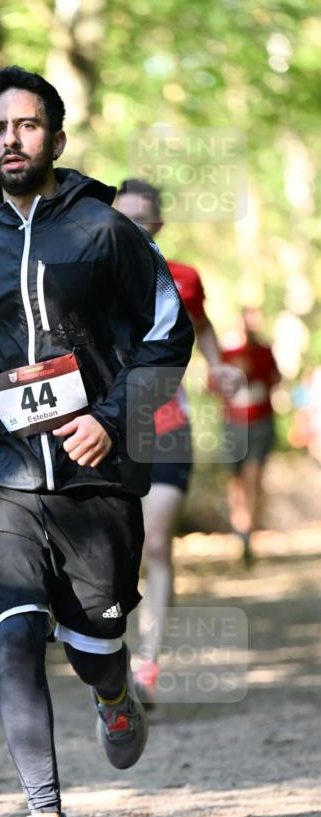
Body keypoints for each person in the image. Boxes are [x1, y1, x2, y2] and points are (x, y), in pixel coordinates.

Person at [0, 68, 194, 817]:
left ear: (55, 139)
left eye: (27, 126)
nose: (11, 139)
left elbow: (165, 334)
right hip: (1, 475)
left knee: (92, 645)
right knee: (14, 635)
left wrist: (109, 422)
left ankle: (113, 693)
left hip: (93, 482)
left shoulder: (105, 232)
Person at [113, 180, 243, 706]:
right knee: (113, 551)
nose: (129, 229)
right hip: (105, 431)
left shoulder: (182, 277)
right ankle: (109, 657)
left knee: (157, 541)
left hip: (167, 426)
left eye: (140, 220)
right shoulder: (88, 274)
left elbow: (202, 324)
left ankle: (147, 664)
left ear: (159, 225)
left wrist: (220, 367)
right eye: (120, 220)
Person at [220, 307, 281, 563]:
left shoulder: (266, 352)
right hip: (233, 424)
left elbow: (276, 379)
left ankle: (249, 534)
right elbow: (216, 385)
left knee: (253, 476)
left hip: (260, 422)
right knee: (236, 480)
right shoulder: (228, 354)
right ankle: (240, 529)